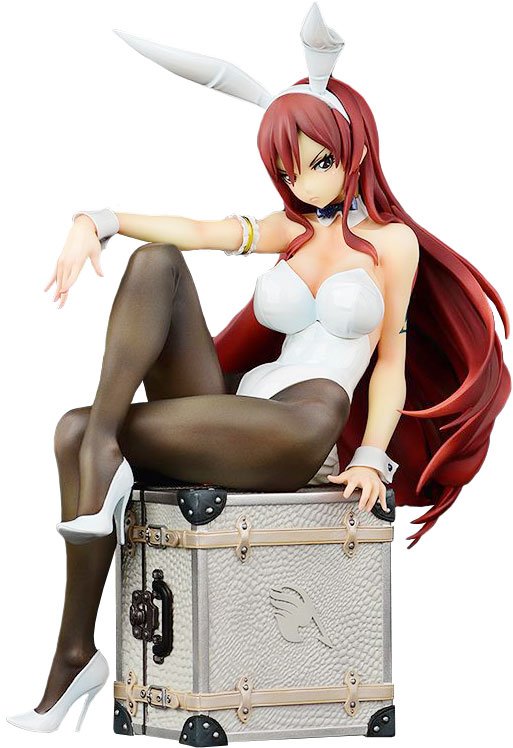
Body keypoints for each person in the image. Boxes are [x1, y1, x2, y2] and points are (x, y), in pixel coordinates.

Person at [6, 1, 510, 734]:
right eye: (286, 168)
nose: (302, 182)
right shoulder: (289, 229)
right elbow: (196, 230)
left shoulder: (391, 244)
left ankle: (100, 466)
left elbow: (391, 363)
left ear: (355, 149)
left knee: (80, 433)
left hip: (298, 427)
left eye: (318, 161)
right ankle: (78, 648)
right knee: (154, 265)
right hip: (238, 408)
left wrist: (372, 456)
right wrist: (100, 220)